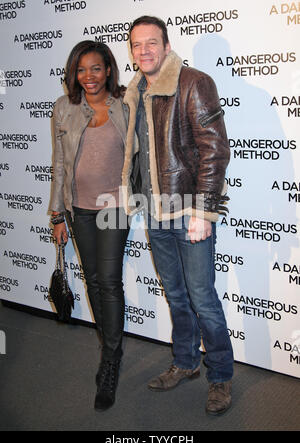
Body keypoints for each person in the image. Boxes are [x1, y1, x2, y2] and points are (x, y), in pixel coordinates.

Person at [122, 16, 234, 415]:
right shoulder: (133, 93)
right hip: (155, 213)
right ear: (131, 51)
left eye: (152, 43)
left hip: (189, 213)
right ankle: (185, 362)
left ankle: (220, 375)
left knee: (202, 297)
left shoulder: (194, 82)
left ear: (166, 46)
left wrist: (203, 211)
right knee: (177, 296)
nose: (145, 50)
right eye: (137, 45)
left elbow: (215, 150)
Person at [49, 40, 129, 411]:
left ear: (108, 69)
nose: (89, 77)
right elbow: (59, 165)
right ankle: (109, 346)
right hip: (79, 208)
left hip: (114, 206)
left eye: (96, 68)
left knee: (109, 282)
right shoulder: (64, 108)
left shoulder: (126, 105)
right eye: (81, 70)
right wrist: (56, 214)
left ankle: (110, 362)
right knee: (94, 281)